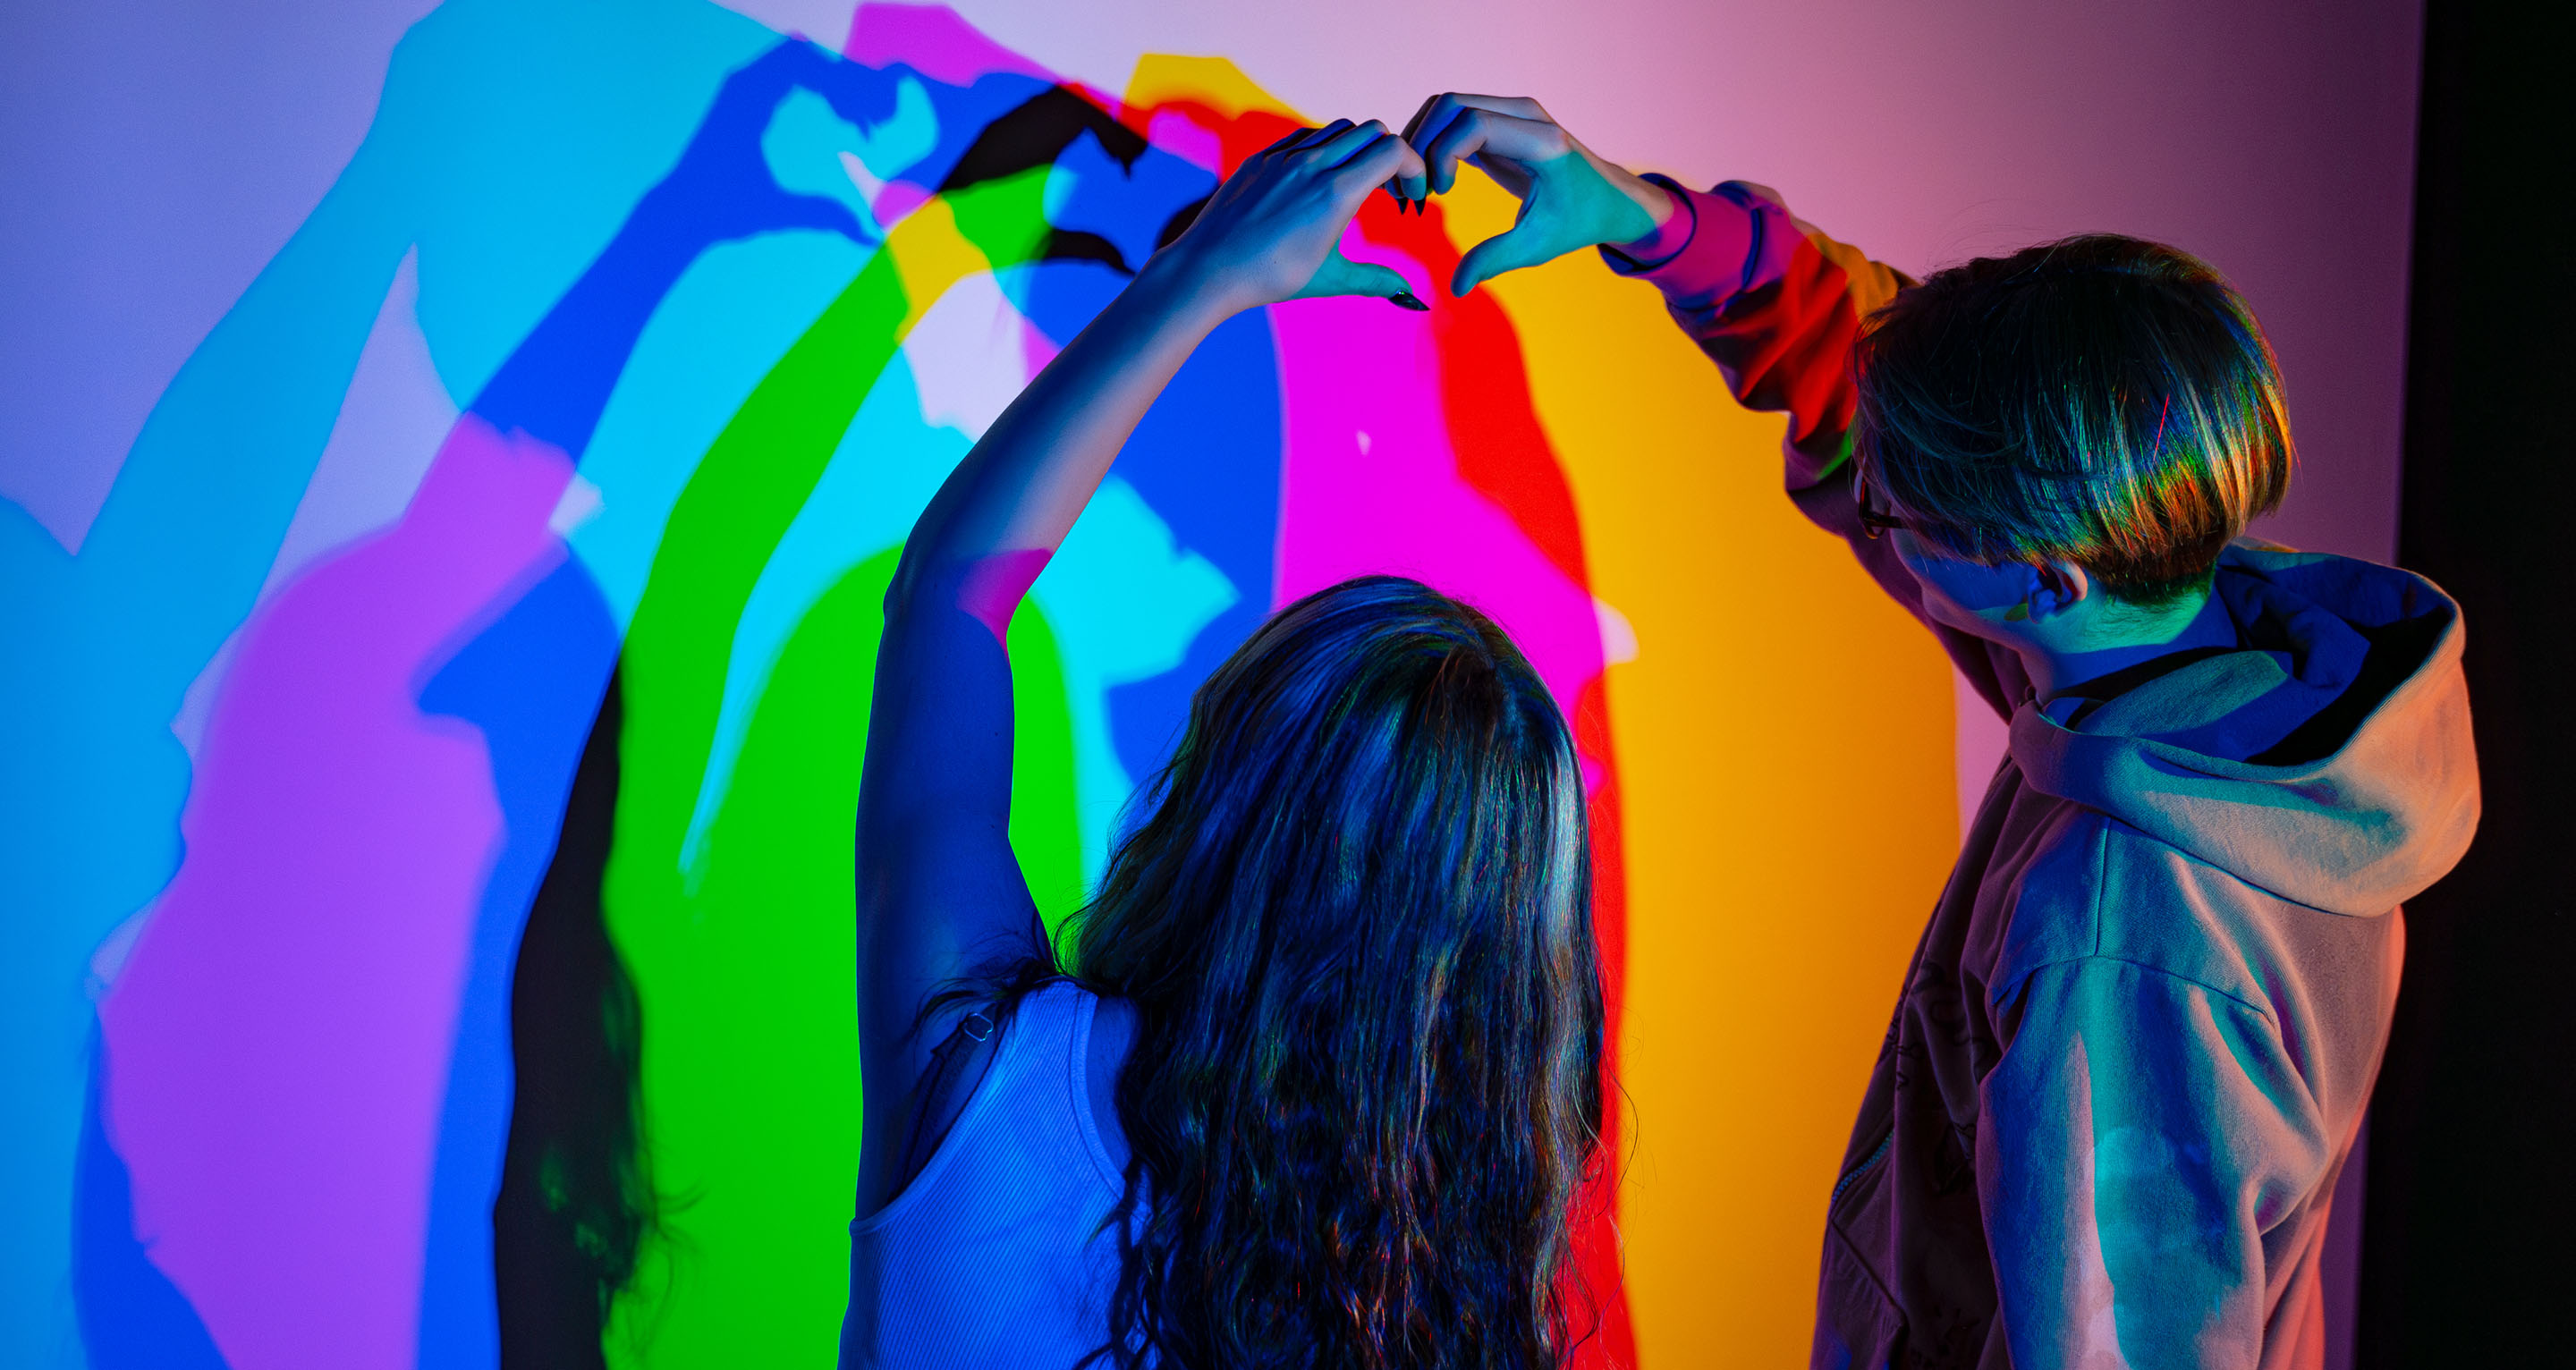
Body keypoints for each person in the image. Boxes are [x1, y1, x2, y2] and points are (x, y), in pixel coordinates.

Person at [1398, 93, 2479, 1368]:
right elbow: (1867, 381)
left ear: (2038, 575)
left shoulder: (2114, 936)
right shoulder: (2207, 662)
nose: (1867, 507)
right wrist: (1642, 218)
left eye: (1894, 514)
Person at [843, 119, 1609, 1369]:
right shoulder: (1454, 1294)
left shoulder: (983, 1076)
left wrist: (1198, 281)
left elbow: (946, 599)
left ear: (1219, 783)